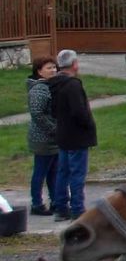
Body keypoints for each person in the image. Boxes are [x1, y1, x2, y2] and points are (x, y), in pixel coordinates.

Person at [46, 49, 96, 221]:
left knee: (63, 172)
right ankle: (77, 208)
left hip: (62, 133)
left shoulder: (53, 84)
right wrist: (89, 124)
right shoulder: (72, 84)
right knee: (77, 173)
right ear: (74, 64)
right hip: (77, 135)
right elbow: (79, 111)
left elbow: (52, 111)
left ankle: (61, 207)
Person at [26, 57, 58, 216]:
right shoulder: (39, 89)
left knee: (54, 172)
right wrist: (53, 129)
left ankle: (55, 201)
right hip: (42, 139)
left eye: (54, 67)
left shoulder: (50, 86)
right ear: (39, 71)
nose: (53, 70)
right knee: (40, 172)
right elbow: (37, 114)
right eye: (48, 68)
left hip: (53, 139)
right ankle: (36, 204)